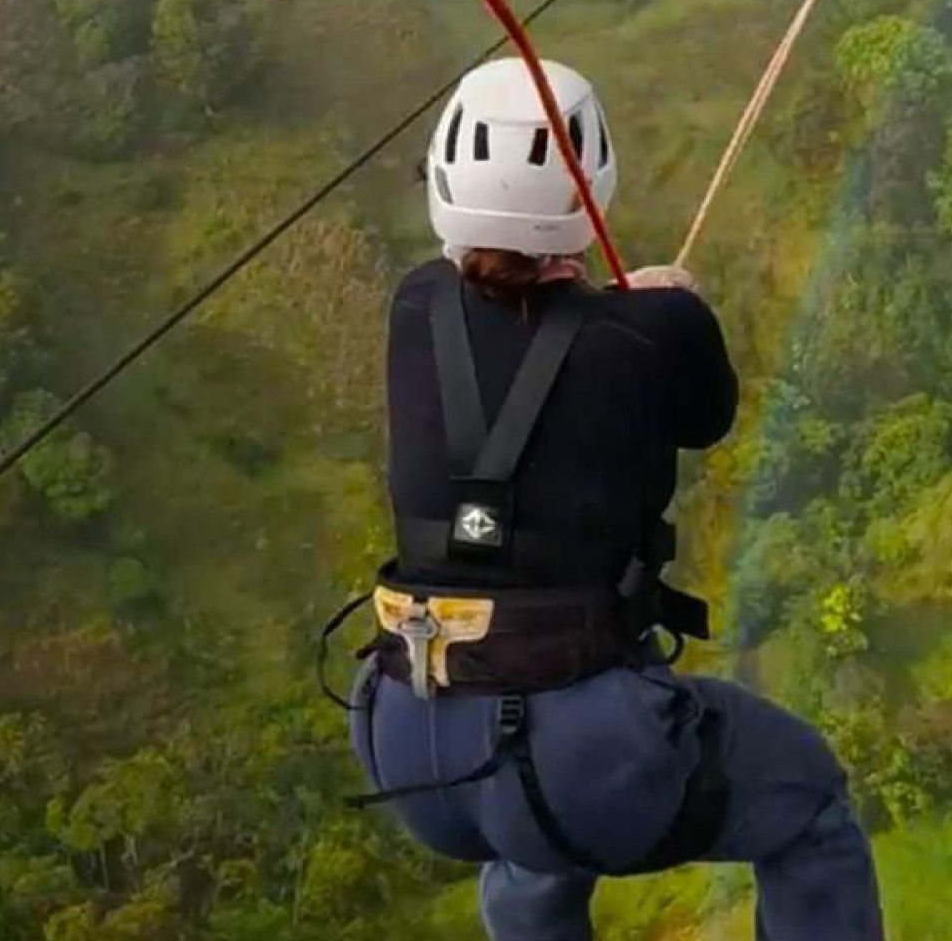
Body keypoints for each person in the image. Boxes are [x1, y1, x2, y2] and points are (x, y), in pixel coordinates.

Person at [342, 57, 884, 941]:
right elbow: (705, 416)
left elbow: (485, 304)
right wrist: (675, 307)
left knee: (532, 835)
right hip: (583, 752)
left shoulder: (414, 307)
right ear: (588, 187)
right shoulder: (651, 331)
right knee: (808, 800)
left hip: (416, 746)